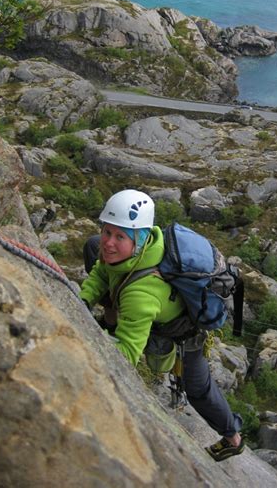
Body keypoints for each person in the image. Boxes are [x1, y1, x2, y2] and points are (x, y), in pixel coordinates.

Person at [79, 188, 244, 462]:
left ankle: (232, 437)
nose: (108, 242)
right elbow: (101, 271)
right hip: (146, 302)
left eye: (120, 236)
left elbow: (127, 354)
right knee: (92, 246)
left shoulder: (140, 295)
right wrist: (83, 299)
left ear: (141, 240)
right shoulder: (127, 252)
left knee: (198, 389)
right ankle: (110, 318)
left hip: (185, 329)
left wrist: (87, 340)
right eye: (107, 231)